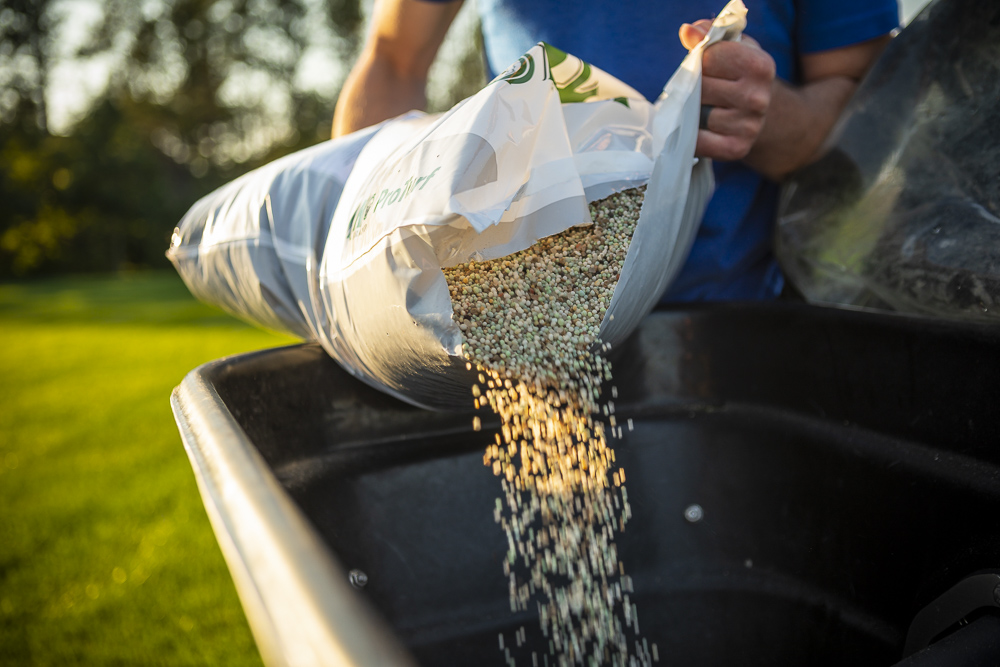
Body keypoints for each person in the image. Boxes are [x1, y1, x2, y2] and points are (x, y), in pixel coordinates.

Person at [331, 0, 898, 301]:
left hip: (741, 319)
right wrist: (355, 264)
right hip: (527, 292)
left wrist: (763, 111)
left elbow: (869, 111)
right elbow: (394, 57)